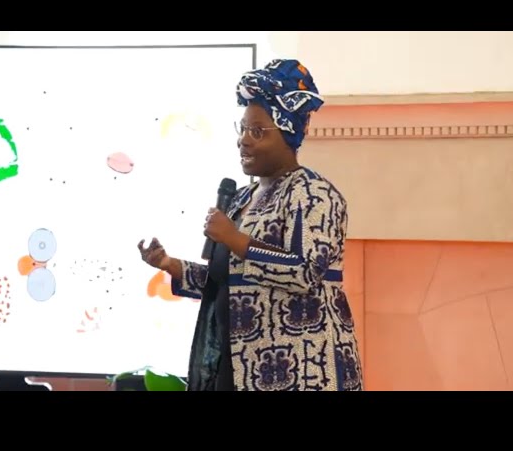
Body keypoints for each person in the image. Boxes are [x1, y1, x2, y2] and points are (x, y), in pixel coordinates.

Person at [138, 58, 363, 391]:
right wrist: (170, 264)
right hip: (239, 366)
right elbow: (231, 280)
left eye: (257, 131)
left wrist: (233, 237)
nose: (243, 140)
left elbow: (303, 273)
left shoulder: (314, 194)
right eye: (242, 129)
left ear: (288, 134)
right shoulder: (242, 197)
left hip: (302, 372)